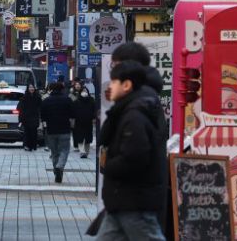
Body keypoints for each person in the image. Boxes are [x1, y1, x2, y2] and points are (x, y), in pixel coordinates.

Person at [96, 61, 166, 240]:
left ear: (126, 85)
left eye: (114, 82)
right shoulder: (124, 110)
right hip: (121, 201)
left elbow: (135, 157)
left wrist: (109, 166)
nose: (110, 86)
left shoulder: (134, 117)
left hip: (135, 202)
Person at [110, 41, 168, 229]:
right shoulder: (140, 96)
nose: (112, 72)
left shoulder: (140, 101)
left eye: (115, 65)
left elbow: (136, 153)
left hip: (136, 198)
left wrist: (110, 165)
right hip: (127, 197)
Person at [39, 81, 74, 183]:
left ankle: (56, 170)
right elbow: (73, 114)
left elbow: (43, 116)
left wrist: (45, 126)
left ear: (51, 89)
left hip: (51, 130)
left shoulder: (46, 101)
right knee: (64, 150)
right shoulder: (67, 100)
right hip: (64, 129)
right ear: (62, 89)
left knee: (54, 152)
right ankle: (59, 166)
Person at [72, 84, 96, 158]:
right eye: (83, 91)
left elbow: (94, 110)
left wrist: (94, 118)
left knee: (88, 138)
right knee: (80, 137)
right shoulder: (76, 101)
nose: (84, 92)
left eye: (85, 91)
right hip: (79, 122)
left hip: (89, 121)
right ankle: (82, 152)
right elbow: (73, 112)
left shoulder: (91, 100)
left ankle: (86, 152)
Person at [16, 83, 42, 151]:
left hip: (35, 117)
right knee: (27, 132)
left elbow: (41, 107)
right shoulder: (24, 97)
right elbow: (19, 108)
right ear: (27, 88)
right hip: (26, 118)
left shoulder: (38, 97)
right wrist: (21, 118)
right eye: (30, 87)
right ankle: (26, 145)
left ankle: (33, 145)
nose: (31, 88)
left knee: (34, 131)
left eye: (32, 87)